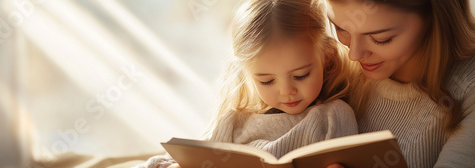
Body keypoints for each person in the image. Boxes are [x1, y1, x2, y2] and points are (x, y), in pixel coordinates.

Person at [136, 0, 359, 167]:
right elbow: (175, 159)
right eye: (266, 81)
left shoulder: (335, 117)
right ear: (248, 74)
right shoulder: (233, 122)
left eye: (300, 75)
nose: (286, 91)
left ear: (327, 56)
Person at [325, 0, 475, 167]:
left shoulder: (468, 88)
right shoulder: (334, 68)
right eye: (341, 28)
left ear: (435, 18)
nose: (353, 54)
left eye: (381, 38)